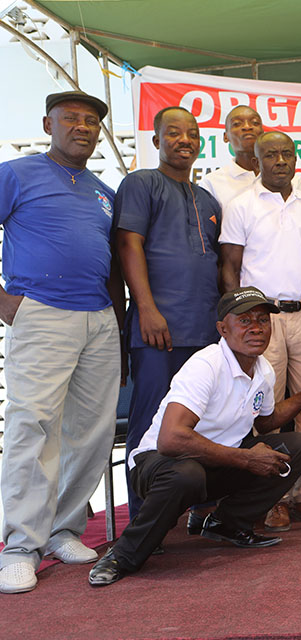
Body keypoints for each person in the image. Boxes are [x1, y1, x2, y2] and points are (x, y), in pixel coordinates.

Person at [87, 287, 301, 586]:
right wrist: (247, 459)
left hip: (215, 462)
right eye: (245, 321)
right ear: (223, 329)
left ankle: (226, 524)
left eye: (263, 320)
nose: (256, 328)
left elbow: (267, 422)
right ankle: (123, 555)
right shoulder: (205, 365)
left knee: (296, 447)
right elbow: (170, 440)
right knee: (187, 474)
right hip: (158, 465)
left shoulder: (262, 369)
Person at [0, 91, 124, 595]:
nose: (82, 127)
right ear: (47, 122)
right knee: (34, 426)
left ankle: (63, 529)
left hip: (98, 318)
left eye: (91, 120)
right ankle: (18, 546)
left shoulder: (103, 191)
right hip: (42, 314)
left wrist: (117, 318)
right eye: (71, 118)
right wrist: (4, 302)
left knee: (90, 434)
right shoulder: (16, 172)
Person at [114, 106, 222, 521]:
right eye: (173, 133)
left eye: (192, 133)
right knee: (149, 425)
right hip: (158, 329)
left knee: (204, 424)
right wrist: (146, 308)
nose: (184, 140)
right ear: (156, 140)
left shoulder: (209, 199)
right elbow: (128, 245)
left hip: (205, 333)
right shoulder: (142, 183)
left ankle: (200, 512)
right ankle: (144, 517)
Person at [220, 132, 301, 532]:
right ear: (256, 160)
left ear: (295, 158)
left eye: (287, 153)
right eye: (271, 154)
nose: (280, 160)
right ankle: (272, 499)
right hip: (260, 320)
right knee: (262, 412)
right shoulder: (240, 205)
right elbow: (229, 266)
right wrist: (240, 322)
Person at [198, 105, 301, 209]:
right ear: (226, 137)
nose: (247, 127)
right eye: (237, 124)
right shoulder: (211, 183)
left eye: (255, 123)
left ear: (262, 133)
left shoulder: (293, 180)